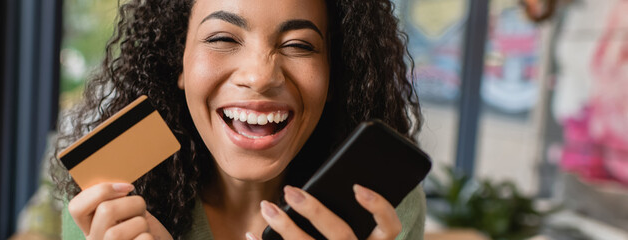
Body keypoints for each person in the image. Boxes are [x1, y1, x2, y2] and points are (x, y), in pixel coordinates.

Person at [52, 0, 425, 239]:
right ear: (176, 60)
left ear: (334, 76)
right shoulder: (105, 204)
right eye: (222, 39)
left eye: (298, 45)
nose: (261, 76)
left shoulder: (381, 208)